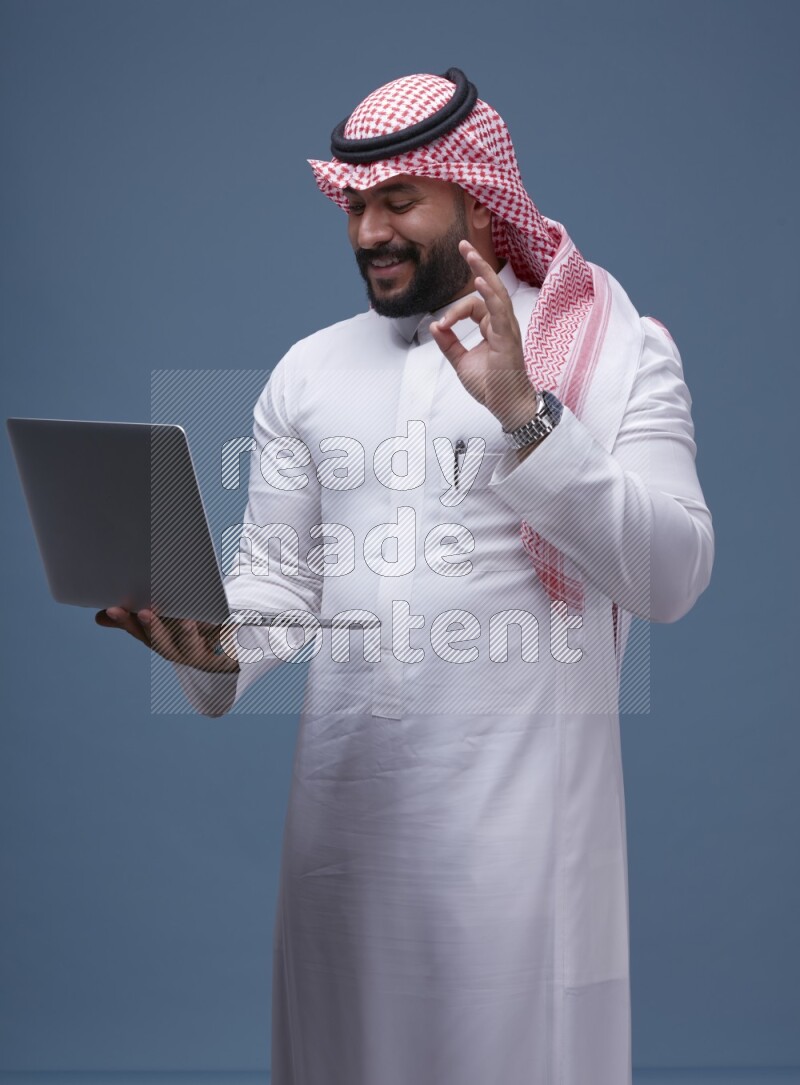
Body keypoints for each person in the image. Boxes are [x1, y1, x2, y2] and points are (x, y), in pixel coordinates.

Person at [98, 69, 714, 1085]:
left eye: (397, 201)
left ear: (475, 197)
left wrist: (527, 412)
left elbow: (671, 574)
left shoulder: (613, 349)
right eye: (353, 204)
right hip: (344, 840)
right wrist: (206, 645)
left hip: (522, 843)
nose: (367, 231)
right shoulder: (310, 370)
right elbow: (275, 593)